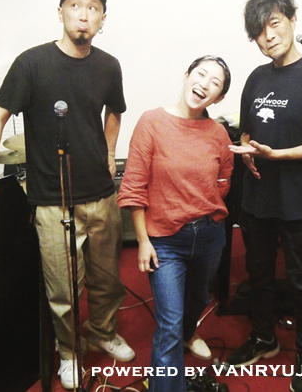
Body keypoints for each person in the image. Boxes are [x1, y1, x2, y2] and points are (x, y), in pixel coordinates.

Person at [0, 0, 135, 390]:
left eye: (93, 8)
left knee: (108, 279)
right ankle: (69, 352)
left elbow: (115, 111)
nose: (83, 14)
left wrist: (110, 153)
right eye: (75, 5)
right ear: (61, 12)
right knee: (63, 289)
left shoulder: (109, 65)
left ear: (102, 19)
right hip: (53, 199)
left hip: (101, 195)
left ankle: (102, 331)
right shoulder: (32, 63)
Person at [226, 0, 302, 392]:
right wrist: (247, 151)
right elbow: (246, 130)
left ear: (292, 20)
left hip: (298, 198)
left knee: (301, 280)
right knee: (257, 273)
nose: (268, 36)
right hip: (257, 196)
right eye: (259, 31)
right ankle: (264, 337)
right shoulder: (256, 78)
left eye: (274, 24)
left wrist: (277, 155)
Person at [117, 56, 234, 392]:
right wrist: (143, 241)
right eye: (201, 74)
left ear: (219, 98)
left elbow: (223, 180)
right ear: (187, 75)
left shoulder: (218, 134)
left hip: (209, 235)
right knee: (169, 323)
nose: (204, 84)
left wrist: (205, 209)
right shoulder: (151, 122)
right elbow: (133, 186)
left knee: (198, 300)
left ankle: (188, 334)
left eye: (215, 83)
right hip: (165, 240)